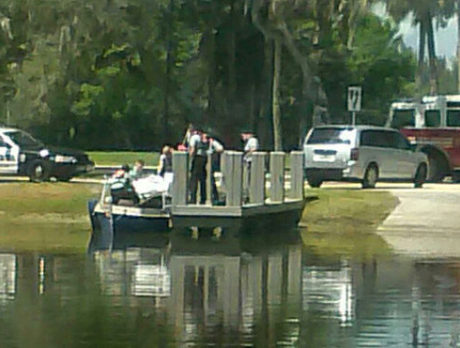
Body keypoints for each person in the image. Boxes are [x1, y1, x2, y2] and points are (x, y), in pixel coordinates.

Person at [188, 129, 223, 204]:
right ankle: (198, 198)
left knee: (198, 180)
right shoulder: (199, 139)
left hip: (201, 160)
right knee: (198, 180)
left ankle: (197, 199)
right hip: (201, 160)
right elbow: (220, 148)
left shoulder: (206, 140)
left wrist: (190, 158)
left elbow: (220, 148)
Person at [241, 131, 259, 202]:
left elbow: (253, 149)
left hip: (251, 161)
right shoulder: (249, 141)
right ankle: (246, 195)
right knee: (246, 179)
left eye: (243, 136)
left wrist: (246, 154)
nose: (243, 138)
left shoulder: (253, 140)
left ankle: (249, 195)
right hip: (247, 161)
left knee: (249, 179)